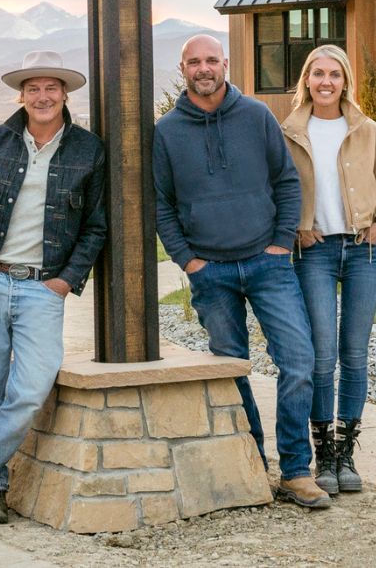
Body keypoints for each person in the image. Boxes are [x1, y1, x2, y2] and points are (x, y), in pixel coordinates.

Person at [153, 34, 327, 509]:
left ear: (225, 64)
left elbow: (286, 182)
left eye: (212, 60)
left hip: (266, 264)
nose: (204, 68)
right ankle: (252, 462)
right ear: (183, 68)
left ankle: (295, 470)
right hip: (211, 273)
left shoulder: (256, 117)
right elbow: (162, 206)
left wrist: (277, 246)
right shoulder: (166, 132)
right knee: (232, 370)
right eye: (194, 62)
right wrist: (189, 261)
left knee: (298, 362)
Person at [0, 51, 108, 523]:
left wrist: (65, 281)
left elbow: (95, 226)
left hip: (42, 288)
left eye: (51, 88)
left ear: (65, 94)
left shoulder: (87, 150)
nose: (42, 96)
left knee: (32, 388)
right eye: (33, 89)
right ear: (21, 95)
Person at [281, 45, 376, 495]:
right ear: (307, 81)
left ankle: (346, 450)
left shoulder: (367, 130)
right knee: (321, 356)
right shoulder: (289, 131)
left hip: (363, 251)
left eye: (334, 74)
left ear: (345, 80)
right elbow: (279, 188)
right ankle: (323, 453)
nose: (326, 82)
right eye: (318, 74)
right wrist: (297, 228)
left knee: (354, 354)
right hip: (314, 252)